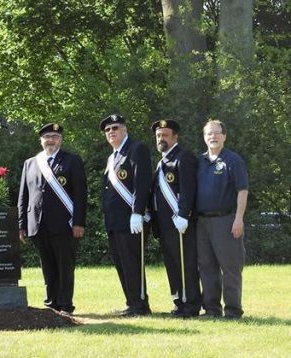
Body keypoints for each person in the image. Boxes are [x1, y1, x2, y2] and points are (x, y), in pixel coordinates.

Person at [18, 123, 87, 313]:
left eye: (55, 137)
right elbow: (23, 196)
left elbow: (81, 194)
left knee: (65, 265)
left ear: (60, 140)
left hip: (65, 224)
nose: (51, 140)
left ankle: (65, 304)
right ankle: (51, 303)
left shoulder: (72, 161)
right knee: (47, 266)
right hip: (38, 224)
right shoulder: (30, 163)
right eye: (47, 136)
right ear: (41, 140)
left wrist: (79, 222)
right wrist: (21, 225)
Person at [100, 114, 153, 316]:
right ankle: (132, 303)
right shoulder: (112, 157)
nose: (111, 132)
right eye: (107, 130)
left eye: (115, 128)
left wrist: (137, 212)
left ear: (125, 130)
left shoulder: (136, 149)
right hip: (115, 222)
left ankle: (140, 305)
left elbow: (142, 182)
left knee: (132, 262)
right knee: (121, 263)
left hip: (132, 220)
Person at [149, 119, 201, 317]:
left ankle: (191, 304)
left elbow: (188, 189)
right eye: (158, 135)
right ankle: (179, 302)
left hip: (180, 222)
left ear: (175, 137)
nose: (161, 138)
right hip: (164, 224)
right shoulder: (162, 162)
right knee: (172, 263)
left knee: (186, 263)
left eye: (165, 135)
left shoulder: (183, 157)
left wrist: (184, 214)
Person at [196, 120, 248, 319]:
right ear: (204, 137)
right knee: (207, 267)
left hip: (226, 221)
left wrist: (238, 219)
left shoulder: (233, 160)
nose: (213, 137)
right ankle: (211, 309)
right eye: (209, 133)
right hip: (201, 223)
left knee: (230, 267)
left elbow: (242, 191)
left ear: (224, 136)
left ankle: (233, 310)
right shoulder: (199, 161)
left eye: (217, 133)